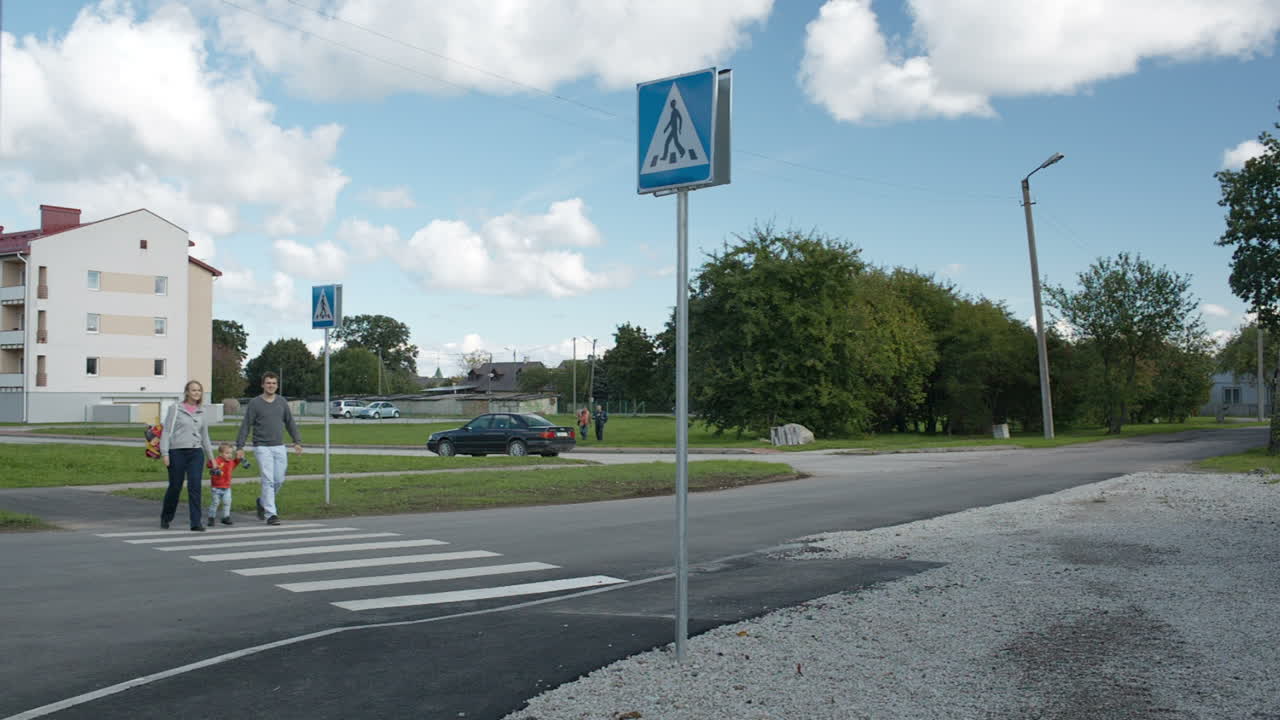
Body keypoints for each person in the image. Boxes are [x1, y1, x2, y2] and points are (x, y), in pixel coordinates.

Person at [235, 371, 303, 526]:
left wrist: (296, 441)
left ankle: (262, 502)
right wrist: (240, 446)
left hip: (279, 446)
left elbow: (290, 422)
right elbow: (246, 425)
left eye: (273, 383)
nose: (271, 385)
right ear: (262, 385)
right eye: (268, 383)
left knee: (279, 479)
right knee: (268, 480)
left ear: (277, 385)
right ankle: (271, 514)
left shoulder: (282, 402)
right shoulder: (255, 403)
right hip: (262, 446)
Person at [159, 380, 216, 531]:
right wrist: (165, 453)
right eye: (193, 390)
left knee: (195, 486)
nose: (196, 393)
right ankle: (166, 517)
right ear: (186, 392)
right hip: (176, 452)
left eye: (199, 390)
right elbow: (166, 431)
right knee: (175, 486)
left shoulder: (202, 411)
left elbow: (205, 436)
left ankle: (196, 522)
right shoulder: (175, 409)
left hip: (195, 453)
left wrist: (212, 459)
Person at [207, 443, 241, 527]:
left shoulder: (230, 462)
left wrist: (238, 459)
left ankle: (226, 517)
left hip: (227, 487)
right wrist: (213, 464)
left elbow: (235, 463)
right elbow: (209, 464)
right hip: (216, 487)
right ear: (221, 453)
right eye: (227, 453)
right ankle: (211, 518)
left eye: (230, 453)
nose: (229, 455)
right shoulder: (218, 460)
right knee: (215, 503)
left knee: (227, 502)